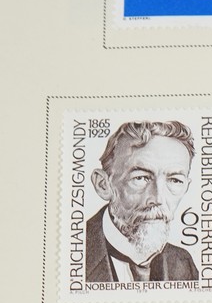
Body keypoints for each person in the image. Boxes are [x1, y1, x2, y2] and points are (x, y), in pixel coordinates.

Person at [85, 120, 198, 283]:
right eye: (141, 178)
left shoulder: (183, 263)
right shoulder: (72, 250)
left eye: (175, 180)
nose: (158, 199)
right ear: (103, 185)